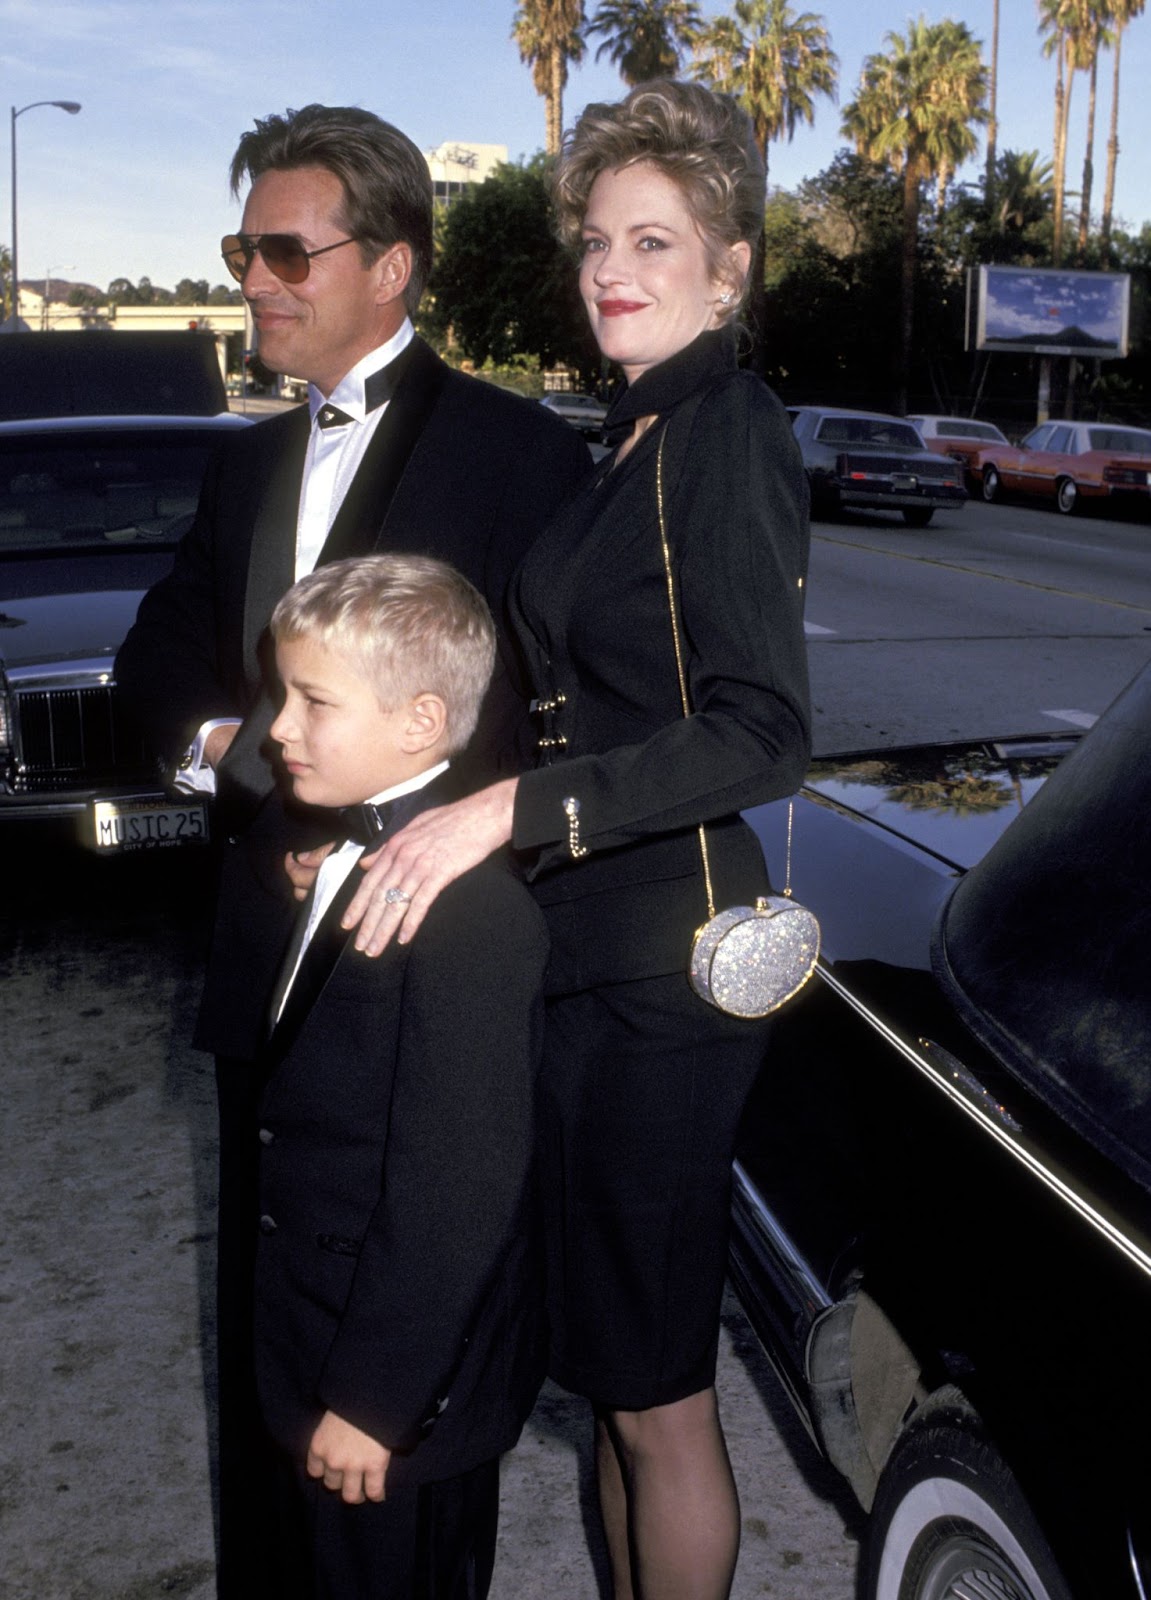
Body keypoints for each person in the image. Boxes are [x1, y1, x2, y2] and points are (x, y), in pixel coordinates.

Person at [335, 81, 812, 1600]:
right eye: (596, 239)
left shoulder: (723, 430)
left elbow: (758, 728)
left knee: (660, 1388)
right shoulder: (633, 436)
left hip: (669, 967)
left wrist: (508, 810)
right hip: (583, 955)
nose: (610, 267)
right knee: (610, 1374)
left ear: (726, 265)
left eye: (652, 240)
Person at [114, 103, 589, 1598]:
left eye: (279, 249)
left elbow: (564, 719)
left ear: (387, 265)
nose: (250, 278)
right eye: (238, 247)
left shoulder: (520, 457)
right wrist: (254, 763)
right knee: (267, 1354)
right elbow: (150, 678)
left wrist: (395, 839)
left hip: (427, 959)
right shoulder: (242, 469)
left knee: (398, 1346)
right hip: (268, 961)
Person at [256, 552, 548, 1599]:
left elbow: (459, 1181)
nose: (277, 726)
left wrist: (378, 1397)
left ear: (420, 723)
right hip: (312, 1325)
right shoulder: (355, 858)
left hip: (394, 1384)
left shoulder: (469, 915)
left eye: (310, 701)